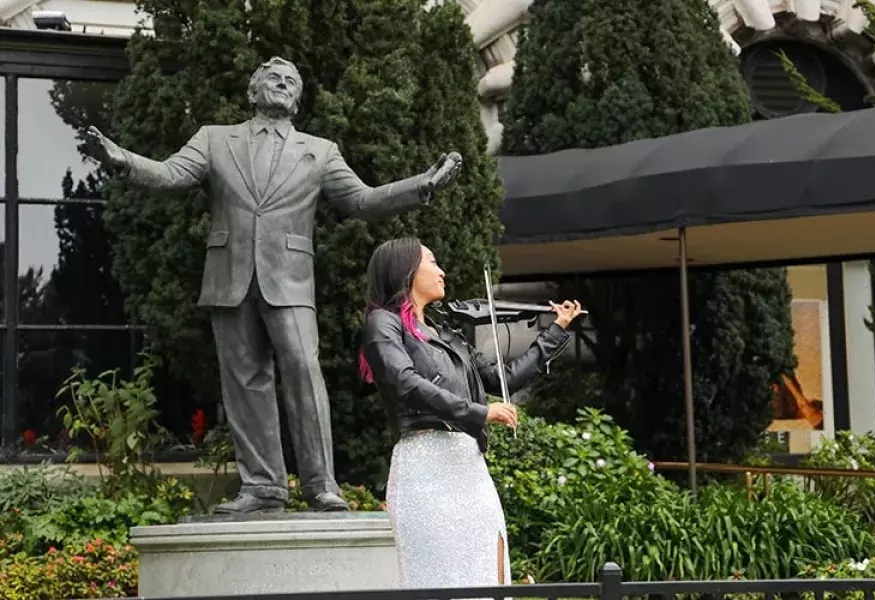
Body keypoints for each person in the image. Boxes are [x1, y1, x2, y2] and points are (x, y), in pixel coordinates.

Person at [84, 57, 462, 514]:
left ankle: (322, 484)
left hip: (290, 279)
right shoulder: (214, 139)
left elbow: (362, 200)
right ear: (253, 91)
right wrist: (120, 157)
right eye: (273, 79)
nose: (281, 85)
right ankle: (262, 487)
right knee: (245, 381)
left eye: (290, 82)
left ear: (297, 99)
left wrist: (422, 185)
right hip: (230, 277)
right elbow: (170, 175)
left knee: (304, 371)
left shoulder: (319, 151)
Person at [359, 237, 582, 590]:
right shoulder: (383, 324)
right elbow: (406, 382)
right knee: (440, 579)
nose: (442, 271)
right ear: (406, 270)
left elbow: (502, 379)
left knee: (487, 572)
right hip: (425, 466)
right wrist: (479, 412)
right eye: (432, 262)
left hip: (469, 469)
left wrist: (555, 332)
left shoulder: (448, 335)